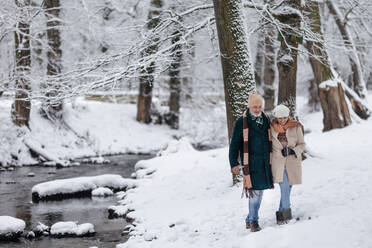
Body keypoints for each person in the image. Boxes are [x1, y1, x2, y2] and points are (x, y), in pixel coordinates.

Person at [229, 93, 273, 232]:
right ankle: (254, 221)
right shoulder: (242, 122)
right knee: (254, 193)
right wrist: (233, 164)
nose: (257, 109)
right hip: (251, 163)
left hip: (265, 162)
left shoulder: (265, 119)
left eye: (259, 106)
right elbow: (234, 144)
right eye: (255, 106)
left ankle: (249, 218)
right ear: (249, 106)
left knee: (260, 192)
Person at [270, 104, 305, 224]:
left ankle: (280, 214)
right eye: (280, 118)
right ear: (276, 118)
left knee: (287, 189)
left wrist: (292, 150)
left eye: (285, 117)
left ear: (288, 116)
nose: (283, 120)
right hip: (277, 164)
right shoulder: (271, 128)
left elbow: (302, 144)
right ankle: (287, 216)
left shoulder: (296, 127)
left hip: (292, 163)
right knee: (284, 188)